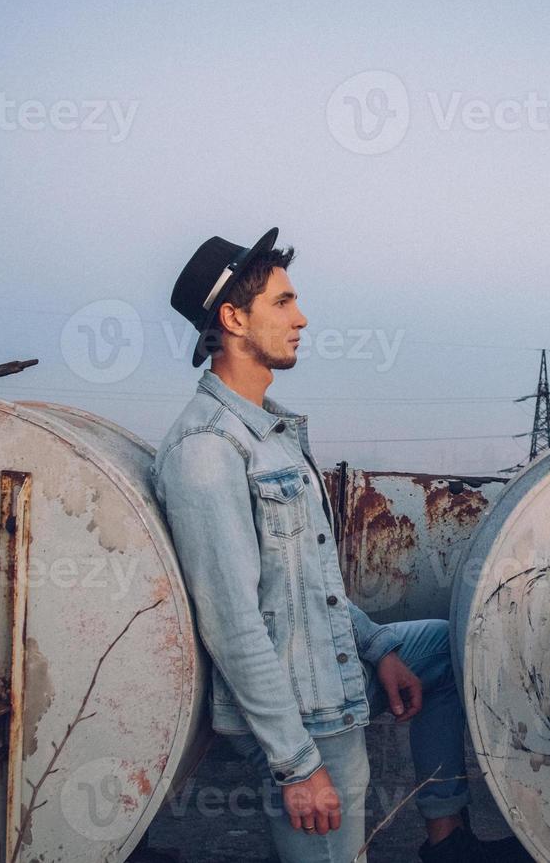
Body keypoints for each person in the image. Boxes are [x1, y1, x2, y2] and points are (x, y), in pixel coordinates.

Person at [152, 228, 530, 863]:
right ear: (234, 318)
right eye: (283, 302)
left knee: (443, 642)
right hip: (303, 711)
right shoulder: (207, 451)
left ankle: (448, 840)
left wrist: (379, 648)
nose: (301, 318)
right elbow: (232, 622)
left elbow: (311, 585)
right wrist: (298, 766)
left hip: (331, 668)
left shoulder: (272, 434)